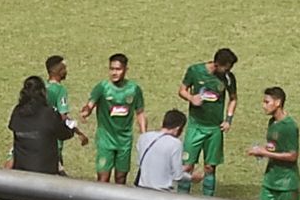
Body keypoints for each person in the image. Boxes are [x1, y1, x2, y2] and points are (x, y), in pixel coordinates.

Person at [177, 48, 238, 196]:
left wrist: (228, 120)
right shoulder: (195, 71)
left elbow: (233, 99)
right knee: (187, 165)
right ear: (217, 64)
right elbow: (182, 90)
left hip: (214, 129)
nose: (228, 70)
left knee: (210, 167)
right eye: (226, 67)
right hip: (195, 126)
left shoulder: (228, 78)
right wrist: (191, 98)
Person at [80, 53, 146, 184]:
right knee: (103, 178)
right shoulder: (102, 87)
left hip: (124, 141)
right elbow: (90, 104)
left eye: (118, 69)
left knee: (121, 178)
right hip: (106, 140)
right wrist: (86, 111)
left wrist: (144, 134)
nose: (114, 73)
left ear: (126, 70)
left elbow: (140, 112)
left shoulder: (134, 89)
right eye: (112, 69)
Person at [8, 76, 75, 174]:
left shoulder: (17, 111)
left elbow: (13, 126)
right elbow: (64, 134)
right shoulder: (49, 114)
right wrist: (71, 126)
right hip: (45, 172)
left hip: (20, 171)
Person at [247, 87, 300, 200]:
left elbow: (293, 156)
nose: (263, 105)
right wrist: (260, 150)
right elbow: (275, 147)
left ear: (278, 103)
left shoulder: (289, 126)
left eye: (267, 102)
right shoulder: (272, 122)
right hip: (270, 181)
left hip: (286, 185)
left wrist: (265, 153)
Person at [135, 110, 203, 191]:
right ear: (178, 128)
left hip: (141, 191)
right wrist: (192, 177)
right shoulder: (175, 144)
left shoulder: (143, 138)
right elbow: (177, 176)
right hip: (162, 193)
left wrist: (181, 168)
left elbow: (144, 164)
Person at [46, 55, 89, 175]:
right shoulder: (60, 90)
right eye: (64, 68)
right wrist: (78, 132)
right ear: (57, 71)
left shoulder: (41, 87)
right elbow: (63, 116)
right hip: (54, 141)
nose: (66, 71)